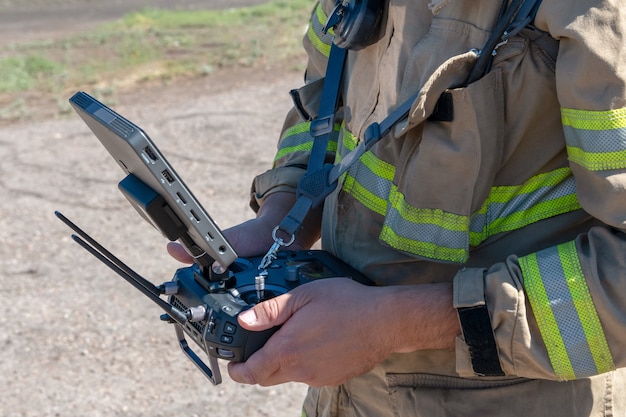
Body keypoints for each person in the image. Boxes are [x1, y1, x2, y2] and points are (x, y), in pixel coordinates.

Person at [169, 0, 626, 415]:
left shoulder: (596, 15)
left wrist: (394, 323)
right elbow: (321, 110)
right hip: (346, 397)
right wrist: (281, 218)